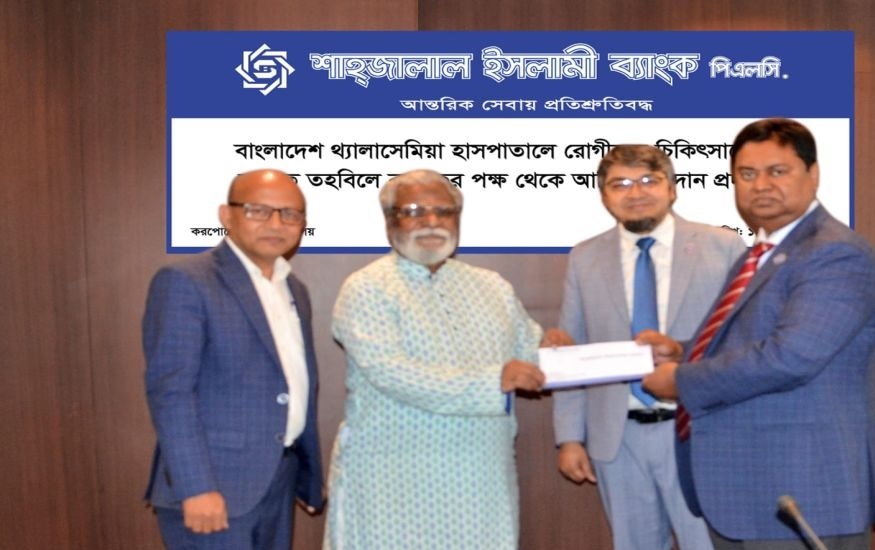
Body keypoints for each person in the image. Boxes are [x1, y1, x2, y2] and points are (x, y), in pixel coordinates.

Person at [642, 118, 875, 550]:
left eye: (778, 171)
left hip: (803, 489)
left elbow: (791, 356)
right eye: (747, 174)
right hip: (750, 493)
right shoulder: (761, 252)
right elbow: (748, 339)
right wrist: (680, 350)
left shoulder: (835, 252)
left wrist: (681, 380)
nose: (760, 186)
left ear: (813, 174)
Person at [323, 169, 547, 550]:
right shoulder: (367, 288)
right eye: (414, 211)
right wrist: (495, 381)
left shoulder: (492, 286)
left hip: (481, 478)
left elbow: (529, 354)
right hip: (392, 479)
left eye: (444, 211)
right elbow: (392, 372)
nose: (431, 221)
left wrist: (555, 351)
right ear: (389, 221)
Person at [550, 144, 744, 550]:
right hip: (617, 436)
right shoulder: (585, 257)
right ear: (604, 196)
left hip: (697, 429)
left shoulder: (723, 247)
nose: (635, 192)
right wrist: (569, 437)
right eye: (620, 184)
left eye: (648, 180)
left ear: (672, 188)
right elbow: (571, 347)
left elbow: (742, 340)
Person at [143, 169, 324, 549]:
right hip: (214, 489)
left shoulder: (295, 290)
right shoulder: (187, 281)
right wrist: (196, 487)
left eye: (290, 214)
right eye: (259, 210)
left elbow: (295, 385)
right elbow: (171, 393)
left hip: (277, 480)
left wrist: (307, 476)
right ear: (227, 215)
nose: (276, 223)